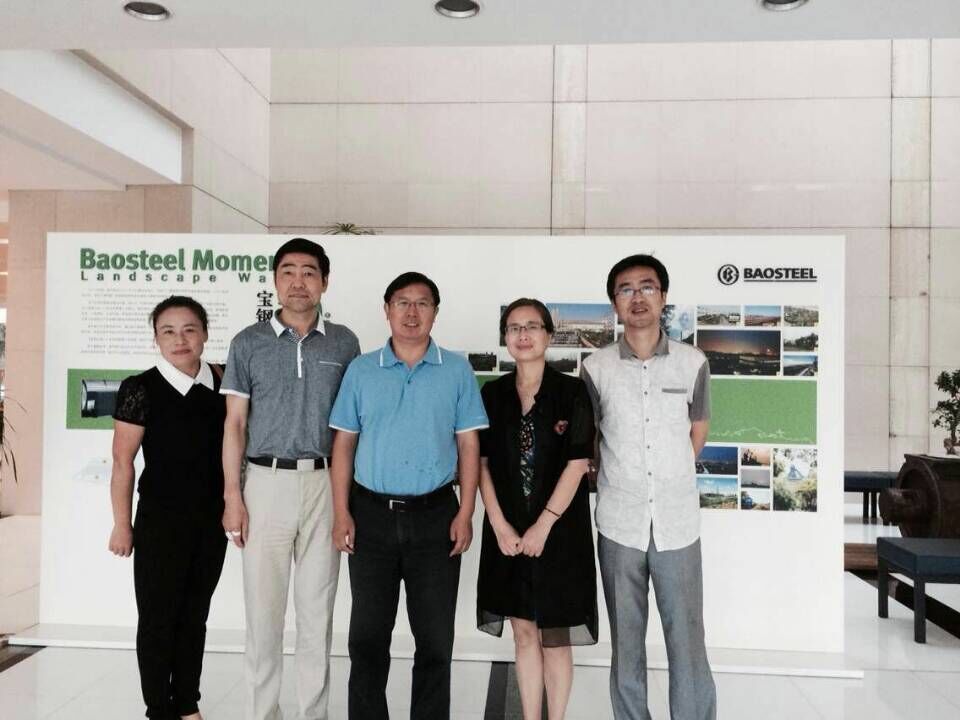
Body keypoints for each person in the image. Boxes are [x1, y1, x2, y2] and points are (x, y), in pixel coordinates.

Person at [328, 271, 488, 720]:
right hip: (370, 516)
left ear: (435, 312)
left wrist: (466, 512)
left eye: (422, 303)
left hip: (436, 515)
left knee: (435, 641)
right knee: (367, 639)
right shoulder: (362, 370)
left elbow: (469, 446)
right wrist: (341, 513)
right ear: (387, 310)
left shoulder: (456, 370)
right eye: (402, 302)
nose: (412, 312)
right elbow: (344, 445)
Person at [220, 238, 360, 720]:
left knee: (317, 614)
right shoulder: (247, 343)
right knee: (263, 615)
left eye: (308, 272)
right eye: (288, 272)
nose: (298, 282)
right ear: (275, 281)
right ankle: (263, 713)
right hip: (265, 483)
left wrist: (346, 502)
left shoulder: (344, 343)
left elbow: (350, 427)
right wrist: (233, 496)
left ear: (325, 281)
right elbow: (234, 424)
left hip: (325, 484)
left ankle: (313, 714)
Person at [581, 254, 717, 720]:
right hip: (619, 524)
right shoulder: (595, 368)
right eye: (626, 289)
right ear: (614, 303)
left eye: (647, 287)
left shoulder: (692, 362)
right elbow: (593, 440)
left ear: (663, 297)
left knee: (688, 639)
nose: (637, 297)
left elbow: (697, 431)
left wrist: (667, 475)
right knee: (626, 642)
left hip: (678, 525)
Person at [476, 298, 598, 720]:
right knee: (523, 632)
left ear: (548, 335)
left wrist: (543, 526)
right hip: (507, 532)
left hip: (560, 533)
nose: (523, 335)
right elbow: (481, 463)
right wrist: (499, 525)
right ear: (505, 337)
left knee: (555, 636)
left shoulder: (572, 391)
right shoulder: (492, 394)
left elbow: (578, 463)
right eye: (514, 328)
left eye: (532, 326)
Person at [109, 295, 227, 720]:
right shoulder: (140, 388)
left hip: (212, 521)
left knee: (195, 615)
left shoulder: (223, 380)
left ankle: (188, 704)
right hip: (160, 520)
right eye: (168, 331)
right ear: (156, 338)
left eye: (190, 330)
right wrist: (122, 525)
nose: (180, 340)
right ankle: (158, 708)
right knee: (158, 618)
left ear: (205, 334)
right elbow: (123, 463)